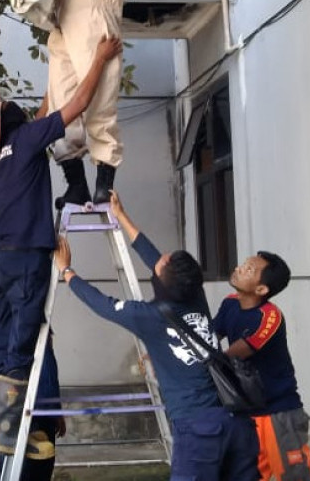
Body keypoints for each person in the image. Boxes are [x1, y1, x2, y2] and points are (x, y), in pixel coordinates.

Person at [0, 36, 122, 458]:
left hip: (2, 258)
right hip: (27, 257)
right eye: (2, 105)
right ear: (1, 119)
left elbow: (41, 118)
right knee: (23, 337)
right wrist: (99, 57)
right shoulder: (27, 139)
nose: (7, 103)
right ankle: (12, 431)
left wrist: (55, 76)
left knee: (4, 335)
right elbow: (79, 104)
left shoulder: (1, 152)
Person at [54, 191, 257, 481]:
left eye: (162, 264)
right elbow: (154, 258)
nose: (158, 260)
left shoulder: (149, 317)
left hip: (199, 429)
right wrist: (121, 215)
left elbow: (102, 304)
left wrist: (67, 270)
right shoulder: (194, 293)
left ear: (164, 282)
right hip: (237, 422)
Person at [38, 0, 128, 208]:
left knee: (99, 108)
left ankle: (104, 186)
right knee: (61, 108)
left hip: (95, 30)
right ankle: (76, 185)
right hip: (65, 30)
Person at [213, 252, 310, 481]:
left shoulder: (270, 317)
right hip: (245, 412)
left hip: (278, 413)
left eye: (249, 269)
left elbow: (233, 353)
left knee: (296, 476)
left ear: (261, 289)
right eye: (244, 264)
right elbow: (209, 336)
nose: (239, 268)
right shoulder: (230, 303)